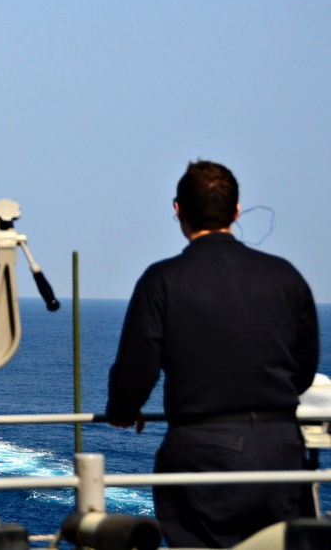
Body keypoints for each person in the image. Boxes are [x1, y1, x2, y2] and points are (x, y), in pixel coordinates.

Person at [106, 160, 319, 548]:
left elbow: (135, 373)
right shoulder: (286, 276)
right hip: (281, 452)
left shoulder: (162, 280)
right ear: (235, 212)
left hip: (203, 455)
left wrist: (122, 411)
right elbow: (302, 370)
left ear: (178, 210)